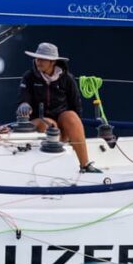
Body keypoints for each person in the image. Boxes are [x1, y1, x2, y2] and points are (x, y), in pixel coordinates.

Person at [15, 42, 99, 173]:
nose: (38, 61)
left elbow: (76, 107)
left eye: (43, 59)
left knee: (71, 116)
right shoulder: (29, 77)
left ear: (53, 62)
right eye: (37, 58)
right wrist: (24, 104)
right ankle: (44, 168)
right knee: (48, 123)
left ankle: (85, 164)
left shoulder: (67, 79)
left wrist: (73, 131)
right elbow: (23, 98)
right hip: (39, 122)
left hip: (62, 128)